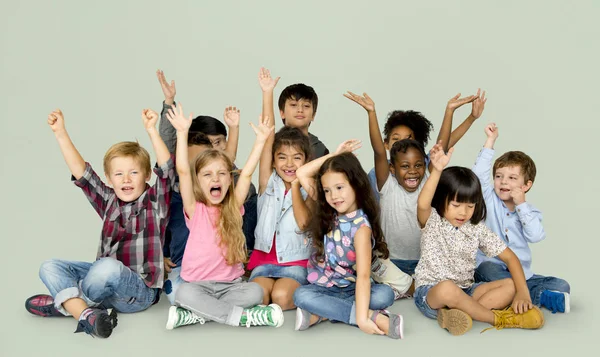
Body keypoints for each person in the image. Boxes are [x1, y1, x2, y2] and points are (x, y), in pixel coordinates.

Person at [25, 108, 175, 338]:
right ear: (109, 178)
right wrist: (60, 133)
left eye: (134, 172)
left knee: (107, 267)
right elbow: (82, 174)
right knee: (49, 266)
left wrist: (151, 130)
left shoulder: (155, 202)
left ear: (146, 176)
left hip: (138, 292)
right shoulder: (108, 201)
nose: (126, 179)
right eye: (118, 174)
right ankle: (84, 312)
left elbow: (167, 171)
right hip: (102, 286)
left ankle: (68, 304)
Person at [163, 103, 284, 330]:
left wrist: (260, 142)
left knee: (256, 291)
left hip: (231, 285)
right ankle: (243, 318)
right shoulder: (194, 208)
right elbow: (182, 170)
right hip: (196, 284)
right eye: (207, 175)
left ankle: (196, 315)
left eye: (221, 174)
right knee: (183, 292)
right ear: (198, 180)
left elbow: (247, 172)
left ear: (230, 180)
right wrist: (181, 133)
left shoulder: (233, 206)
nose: (215, 179)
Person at [413, 143, 545, 335]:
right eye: (456, 205)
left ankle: (458, 314)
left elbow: (511, 258)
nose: (463, 212)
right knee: (448, 289)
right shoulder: (433, 220)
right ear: (442, 200)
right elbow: (422, 202)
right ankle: (500, 319)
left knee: (510, 285)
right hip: (432, 293)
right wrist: (437, 170)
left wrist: (522, 292)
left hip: (466, 289)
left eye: (470, 206)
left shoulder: (476, 229)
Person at [293, 148, 404, 339]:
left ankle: (322, 314)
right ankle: (370, 315)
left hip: (354, 288)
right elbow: (301, 173)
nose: (334, 196)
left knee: (384, 295)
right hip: (324, 287)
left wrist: (362, 322)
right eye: (327, 190)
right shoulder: (329, 209)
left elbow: (362, 276)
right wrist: (334, 156)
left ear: (356, 185)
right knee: (301, 295)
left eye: (339, 187)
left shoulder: (361, 228)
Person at [473, 123, 571, 313]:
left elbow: (535, 236)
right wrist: (490, 142)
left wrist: (521, 206)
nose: (503, 182)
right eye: (499, 176)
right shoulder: (488, 199)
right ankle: (535, 297)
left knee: (562, 285)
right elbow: (477, 175)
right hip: (490, 267)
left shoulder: (529, 211)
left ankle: (519, 296)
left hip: (523, 275)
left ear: (526, 185)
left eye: (512, 178)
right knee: (489, 271)